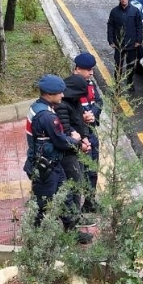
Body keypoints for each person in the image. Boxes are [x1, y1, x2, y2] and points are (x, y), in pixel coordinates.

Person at [23, 74, 93, 244]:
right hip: (46, 168)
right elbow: (61, 141)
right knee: (42, 204)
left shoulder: (38, 107)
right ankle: (35, 239)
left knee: (66, 197)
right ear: (49, 94)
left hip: (53, 165)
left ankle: (71, 232)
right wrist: (77, 142)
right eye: (60, 93)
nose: (63, 95)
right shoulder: (47, 116)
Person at [56, 73, 94, 227]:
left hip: (77, 148)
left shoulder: (74, 101)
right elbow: (66, 132)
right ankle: (73, 220)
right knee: (74, 185)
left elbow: (80, 122)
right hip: (68, 154)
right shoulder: (62, 106)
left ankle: (76, 216)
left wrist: (85, 137)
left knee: (78, 183)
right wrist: (81, 145)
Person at [72, 53, 103, 213]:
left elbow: (98, 101)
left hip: (92, 133)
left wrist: (93, 113)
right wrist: (82, 117)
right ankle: (76, 209)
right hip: (80, 137)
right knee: (80, 171)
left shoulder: (90, 84)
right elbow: (66, 112)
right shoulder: (68, 88)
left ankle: (90, 202)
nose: (91, 73)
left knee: (92, 170)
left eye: (92, 70)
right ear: (77, 69)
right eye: (88, 70)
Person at [107, 0, 142, 92]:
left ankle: (130, 83)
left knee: (131, 66)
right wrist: (111, 40)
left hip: (132, 44)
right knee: (118, 66)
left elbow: (139, 26)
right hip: (119, 45)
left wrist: (138, 40)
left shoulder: (135, 11)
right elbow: (110, 26)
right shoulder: (114, 12)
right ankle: (117, 85)